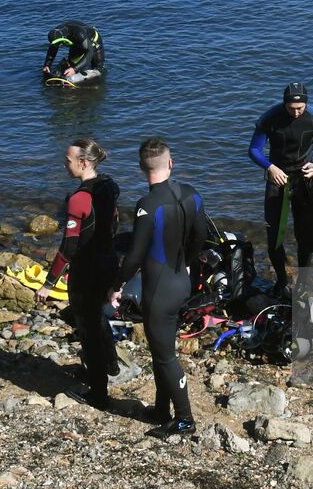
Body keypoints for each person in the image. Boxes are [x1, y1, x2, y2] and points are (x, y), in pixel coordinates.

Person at [115, 138, 207, 438]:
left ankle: (184, 420)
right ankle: (160, 409)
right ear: (170, 163)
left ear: (142, 168)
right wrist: (186, 263)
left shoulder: (147, 205)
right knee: (161, 349)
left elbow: (135, 256)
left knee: (165, 355)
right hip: (182, 282)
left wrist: (115, 285)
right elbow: (200, 238)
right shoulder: (192, 195)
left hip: (158, 290)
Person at [38, 137, 120, 409]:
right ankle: (110, 365)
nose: (64, 164)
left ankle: (98, 392)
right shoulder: (109, 186)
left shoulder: (78, 199)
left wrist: (49, 283)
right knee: (99, 320)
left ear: (83, 163)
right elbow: (114, 227)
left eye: (68, 161)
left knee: (88, 330)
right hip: (109, 265)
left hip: (87, 272)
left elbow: (68, 247)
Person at [248, 83, 313, 293]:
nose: (296, 113)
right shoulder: (270, 118)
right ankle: (281, 280)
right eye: (291, 108)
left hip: (304, 179)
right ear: (284, 103)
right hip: (277, 177)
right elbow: (254, 149)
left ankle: (303, 281)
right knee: (274, 235)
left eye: (300, 108)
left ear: (306, 103)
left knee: (305, 234)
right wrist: (270, 168)